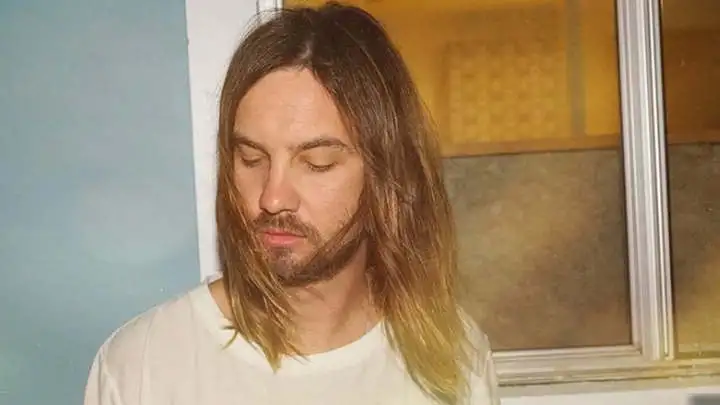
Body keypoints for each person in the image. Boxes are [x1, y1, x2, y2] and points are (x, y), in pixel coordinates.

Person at [83, 2, 499, 404]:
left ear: (387, 175)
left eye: (317, 163)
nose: (272, 197)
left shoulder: (454, 360)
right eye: (251, 159)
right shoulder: (143, 366)